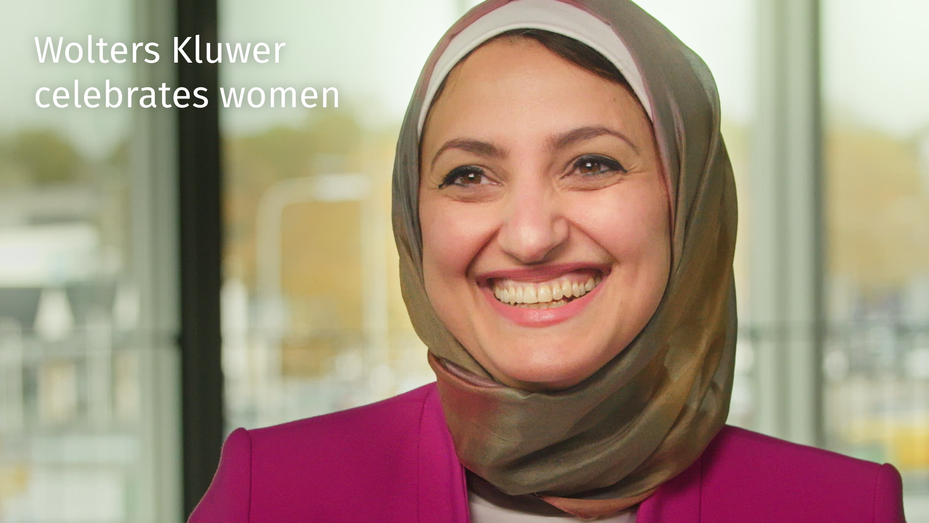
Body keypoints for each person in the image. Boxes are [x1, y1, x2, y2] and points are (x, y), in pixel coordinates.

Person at [189, 0, 907, 521]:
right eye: (469, 174)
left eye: (592, 164)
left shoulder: (842, 507)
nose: (531, 236)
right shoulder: (270, 492)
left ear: (687, 204)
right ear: (414, 218)